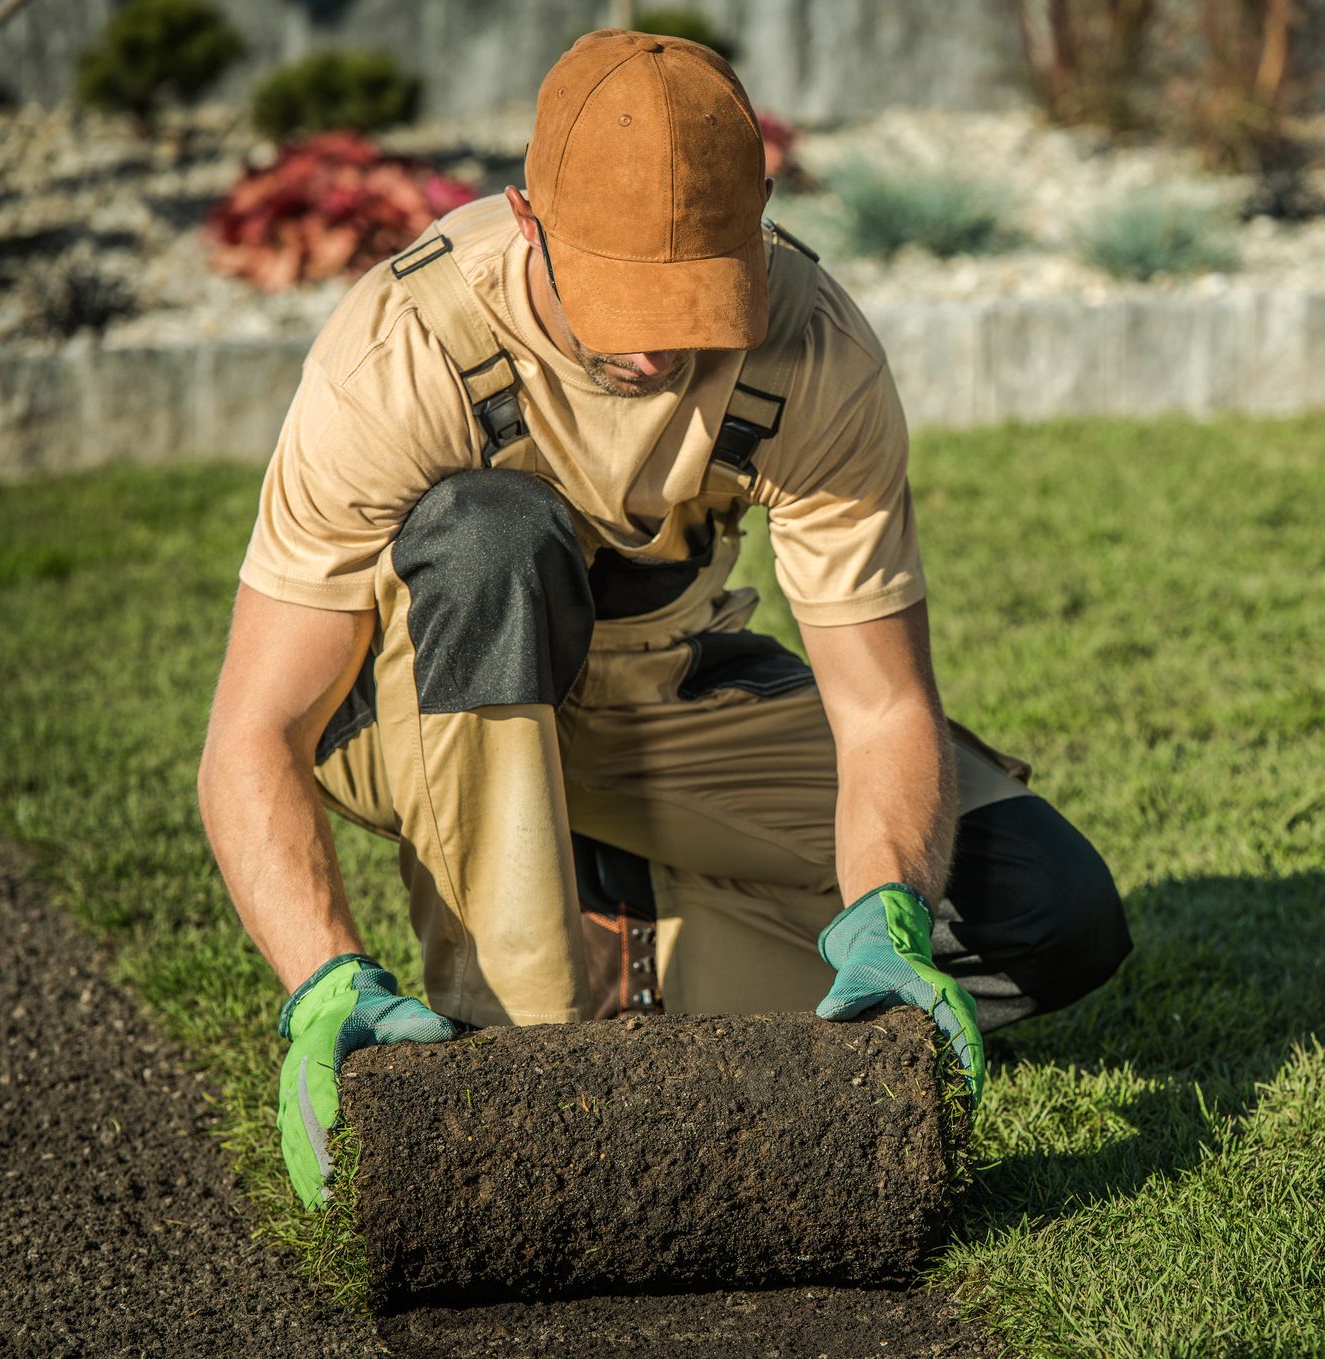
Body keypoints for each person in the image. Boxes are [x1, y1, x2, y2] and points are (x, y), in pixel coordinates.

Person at [197, 30, 1132, 1208]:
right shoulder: (403, 353)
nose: (654, 344)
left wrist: (887, 913)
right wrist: (322, 980)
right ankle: (514, 1034)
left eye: (691, 300)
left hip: (663, 696)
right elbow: (258, 731)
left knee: (1051, 912)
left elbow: (883, 702)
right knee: (492, 532)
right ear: (529, 222)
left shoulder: (815, 350)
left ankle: (626, 933)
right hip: (424, 714)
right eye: (622, 296)